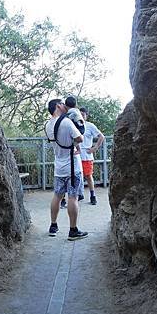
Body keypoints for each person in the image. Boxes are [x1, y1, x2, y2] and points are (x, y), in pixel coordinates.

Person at [44, 99, 89, 240]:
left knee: (57, 196)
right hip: (72, 167)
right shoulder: (67, 122)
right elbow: (80, 138)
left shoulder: (47, 125)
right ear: (58, 106)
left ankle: (53, 225)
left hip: (59, 167)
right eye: (62, 104)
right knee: (73, 197)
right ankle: (73, 230)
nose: (65, 106)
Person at [79, 107, 105, 205]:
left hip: (86, 155)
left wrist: (95, 147)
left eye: (83, 114)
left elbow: (101, 136)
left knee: (88, 176)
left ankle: (92, 195)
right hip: (76, 156)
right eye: (79, 114)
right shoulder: (74, 125)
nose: (81, 116)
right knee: (78, 177)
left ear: (86, 115)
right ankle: (79, 194)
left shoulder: (90, 126)